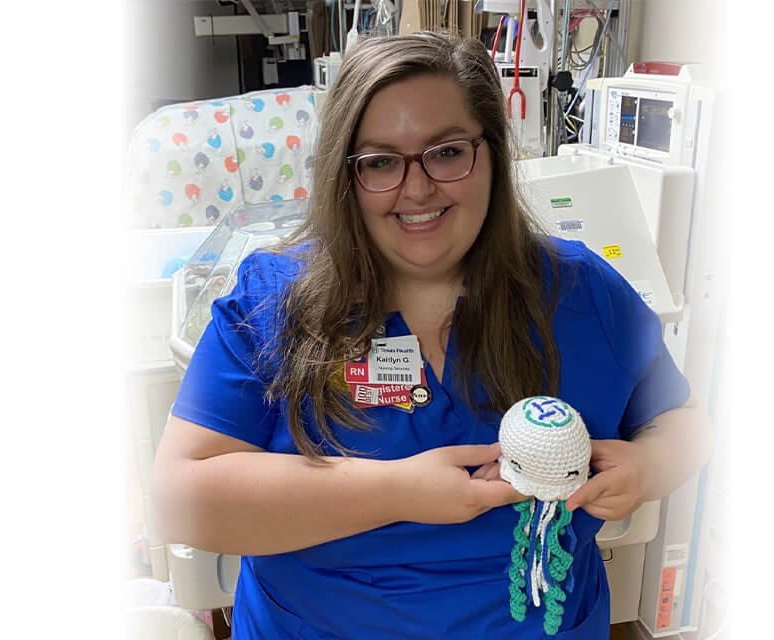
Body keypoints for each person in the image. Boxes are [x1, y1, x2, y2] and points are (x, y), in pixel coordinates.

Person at [151, 31, 712, 639]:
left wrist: (647, 465)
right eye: (380, 162)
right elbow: (179, 500)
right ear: (345, 176)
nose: (417, 188)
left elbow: (685, 423)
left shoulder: (582, 294)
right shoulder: (274, 303)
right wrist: (395, 492)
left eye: (446, 152)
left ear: (492, 153)